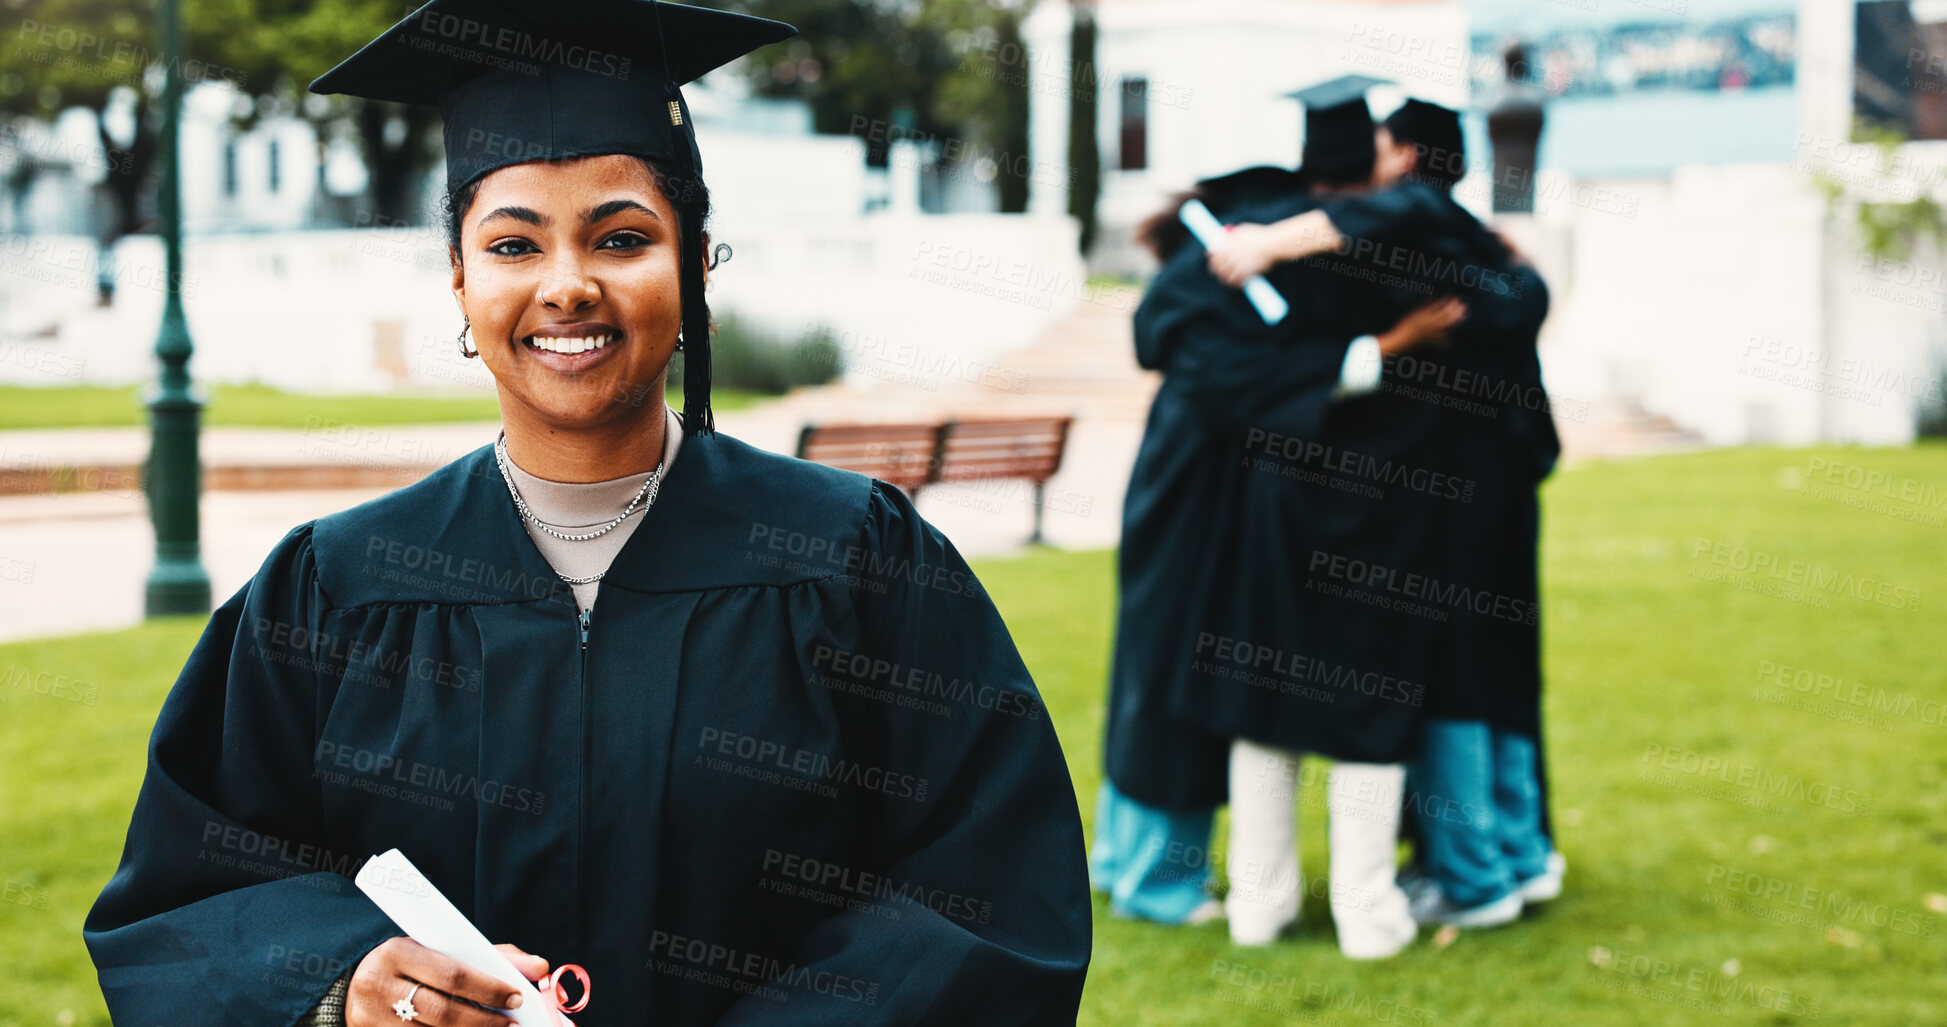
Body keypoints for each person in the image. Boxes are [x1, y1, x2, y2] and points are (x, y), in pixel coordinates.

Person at [82, 3, 1092, 1024]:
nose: (567, 286)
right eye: (514, 245)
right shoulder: (336, 587)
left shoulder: (856, 563)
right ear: (461, 281)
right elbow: (192, 887)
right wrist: (344, 981)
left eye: (620, 238)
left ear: (697, 263)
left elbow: (985, 890)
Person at [1093, 75, 1463, 934]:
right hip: (1201, 480)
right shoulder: (1267, 242)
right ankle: (1151, 875)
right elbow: (1212, 364)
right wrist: (1378, 349)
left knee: (1171, 668)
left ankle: (1139, 865)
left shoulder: (1265, 226)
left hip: (1215, 471)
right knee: (1171, 665)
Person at [1207, 98, 1562, 931]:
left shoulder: (1407, 229)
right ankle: (1512, 853)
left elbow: (1383, 222)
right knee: (1487, 670)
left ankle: (1475, 873)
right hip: (1480, 482)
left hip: (1430, 495)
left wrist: (1262, 243)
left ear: (1401, 157)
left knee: (1447, 679)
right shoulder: (1469, 247)